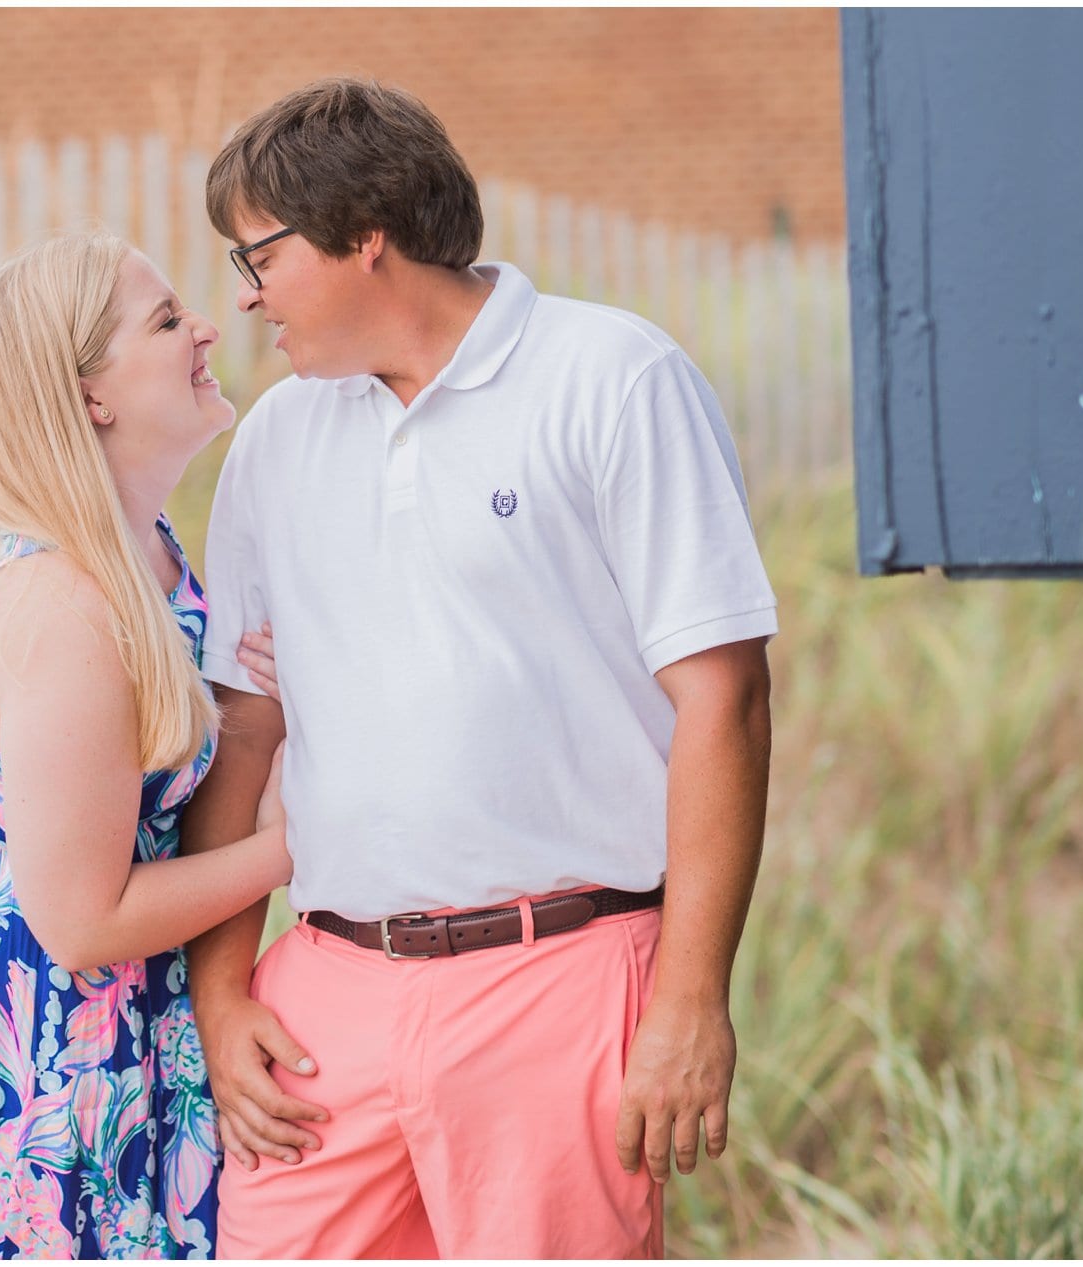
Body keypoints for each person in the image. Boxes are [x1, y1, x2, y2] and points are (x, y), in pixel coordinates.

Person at [180, 78, 778, 1258]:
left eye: (260, 257)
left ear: (365, 234)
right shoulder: (274, 441)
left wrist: (693, 998)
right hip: (327, 1003)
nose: (245, 300)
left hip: (560, 975)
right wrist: (223, 994)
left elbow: (727, 699)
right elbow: (244, 731)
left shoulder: (613, 377)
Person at [0, 232, 292, 1260]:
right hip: (8, 1029)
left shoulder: (150, 556)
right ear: (90, 399)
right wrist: (308, 846)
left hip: (108, 1022)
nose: (206, 326)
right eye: (165, 322)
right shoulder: (60, 603)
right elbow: (81, 917)